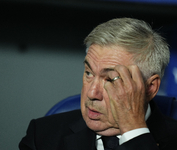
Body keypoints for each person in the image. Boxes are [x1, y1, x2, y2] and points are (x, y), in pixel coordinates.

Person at [19, 18, 177, 150]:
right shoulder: (41, 135)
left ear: (150, 88)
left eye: (110, 79)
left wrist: (134, 131)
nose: (91, 93)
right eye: (89, 73)